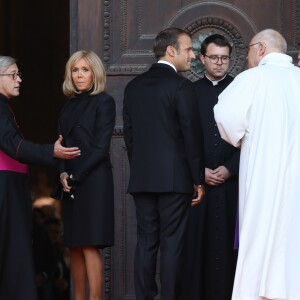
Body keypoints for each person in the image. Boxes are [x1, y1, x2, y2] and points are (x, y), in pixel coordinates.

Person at [214, 29, 300, 300]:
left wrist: (247, 141)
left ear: (260, 48)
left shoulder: (251, 79)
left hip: (265, 174)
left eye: (250, 48)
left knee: (261, 234)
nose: (248, 55)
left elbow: (226, 119)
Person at [123, 27, 205, 300]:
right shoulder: (181, 86)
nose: (192, 56)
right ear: (171, 50)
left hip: (143, 179)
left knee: (146, 243)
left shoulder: (133, 87)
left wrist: (141, 170)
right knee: (172, 245)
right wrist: (198, 179)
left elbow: (130, 137)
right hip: (175, 180)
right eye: (189, 49)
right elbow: (190, 135)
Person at [0, 55, 81, 300]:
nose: (19, 80)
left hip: (10, 188)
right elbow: (14, 146)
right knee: (12, 256)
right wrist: (51, 152)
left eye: (19, 74)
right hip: (5, 189)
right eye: (13, 75)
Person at [181, 34, 239, 300]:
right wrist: (199, 171)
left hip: (233, 185)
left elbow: (254, 138)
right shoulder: (189, 92)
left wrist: (230, 169)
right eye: (214, 57)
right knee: (197, 249)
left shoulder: (240, 88)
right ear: (202, 59)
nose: (219, 63)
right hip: (198, 184)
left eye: (224, 58)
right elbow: (180, 138)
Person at [57, 50, 115, 300]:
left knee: (90, 243)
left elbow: (101, 148)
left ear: (95, 73)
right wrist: (61, 174)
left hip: (93, 180)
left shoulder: (104, 102)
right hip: (69, 180)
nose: (79, 75)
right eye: (75, 70)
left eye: (85, 70)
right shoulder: (67, 105)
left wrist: (75, 175)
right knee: (74, 244)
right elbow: (59, 143)